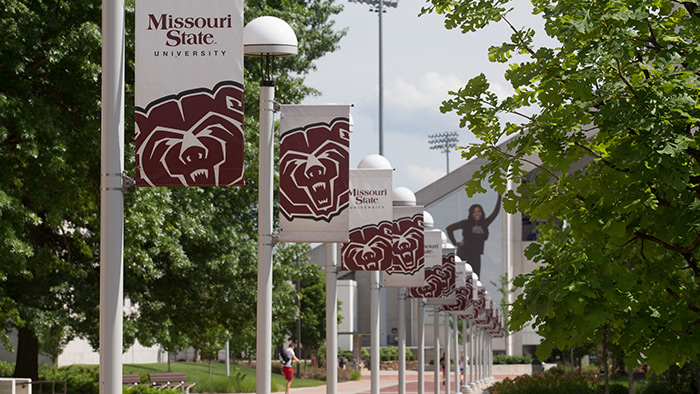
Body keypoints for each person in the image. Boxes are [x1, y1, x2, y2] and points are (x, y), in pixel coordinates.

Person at [446, 194, 502, 277]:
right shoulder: (466, 223)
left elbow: (495, 212)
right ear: (471, 213)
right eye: (474, 212)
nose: (477, 214)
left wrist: (499, 196)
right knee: (463, 277)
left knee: (475, 277)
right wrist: (455, 243)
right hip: (464, 253)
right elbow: (449, 229)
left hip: (476, 255)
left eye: (479, 211)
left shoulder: (484, 224)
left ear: (482, 213)